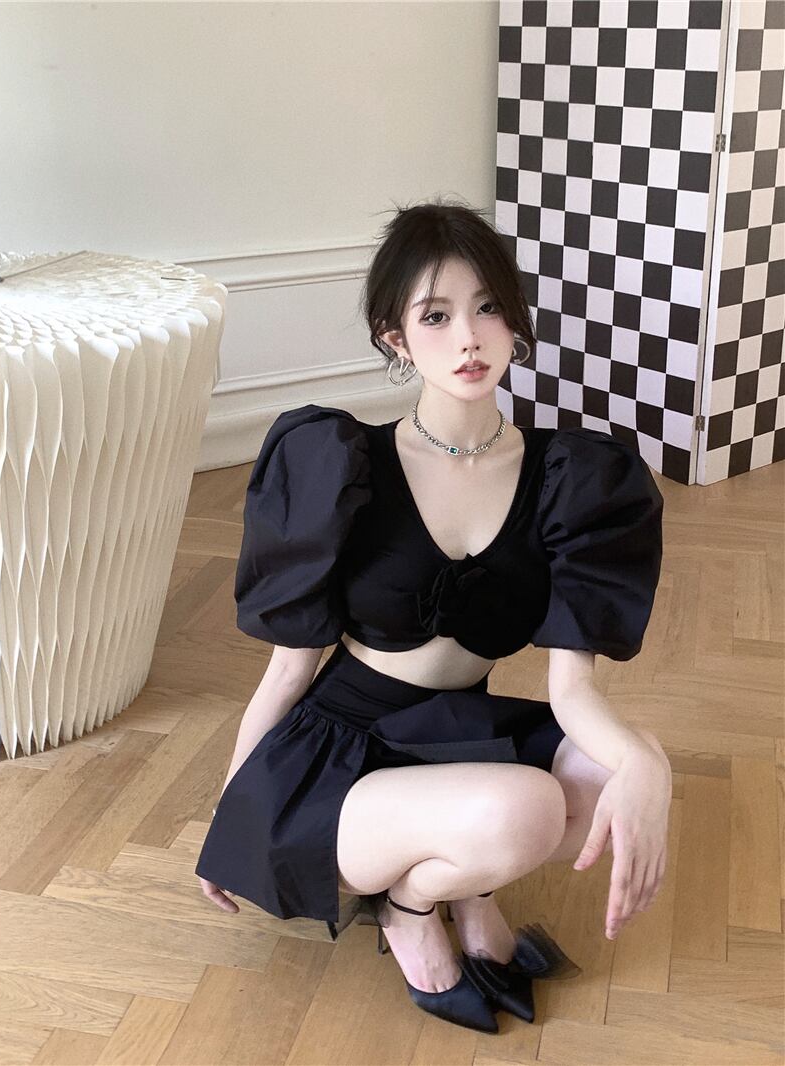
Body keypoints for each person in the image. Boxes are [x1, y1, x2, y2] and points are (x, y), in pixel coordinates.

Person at [195, 197, 671, 1034]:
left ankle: (453, 885)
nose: (469, 339)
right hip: (343, 757)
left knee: (623, 771)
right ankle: (413, 907)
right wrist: (234, 810)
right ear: (395, 338)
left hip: (462, 733)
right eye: (437, 316)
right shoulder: (341, 464)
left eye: (488, 308)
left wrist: (650, 772)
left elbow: (573, 695)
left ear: (515, 321)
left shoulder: (569, 479)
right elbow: (289, 671)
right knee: (527, 808)